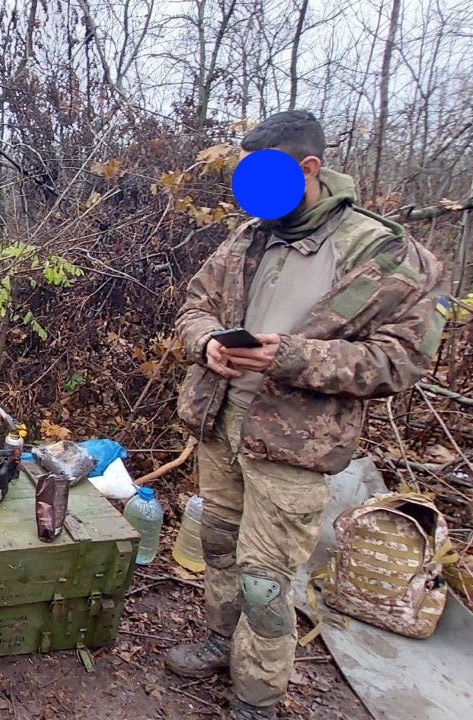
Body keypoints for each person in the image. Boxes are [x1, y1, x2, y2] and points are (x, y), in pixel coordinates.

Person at [168, 110, 447, 720]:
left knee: (265, 578)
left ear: (308, 168)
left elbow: (399, 362)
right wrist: (208, 342)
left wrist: (294, 357)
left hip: (294, 445)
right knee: (218, 544)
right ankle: (220, 640)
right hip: (222, 422)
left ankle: (258, 696)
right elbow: (192, 307)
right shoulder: (248, 237)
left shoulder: (381, 252)